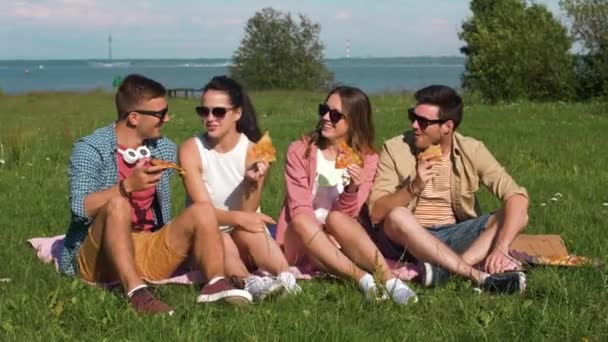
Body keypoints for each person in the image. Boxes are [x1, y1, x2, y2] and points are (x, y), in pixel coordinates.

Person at [60, 74, 252, 315]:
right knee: (118, 205)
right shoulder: (91, 149)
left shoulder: (163, 148)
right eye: (161, 114)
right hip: (99, 257)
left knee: (201, 211)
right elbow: (80, 208)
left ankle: (215, 284)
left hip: (145, 246)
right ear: (134, 117)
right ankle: (136, 293)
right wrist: (126, 186)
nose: (167, 118)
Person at [367, 85, 529, 294]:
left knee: (516, 214)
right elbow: (377, 212)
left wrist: (501, 248)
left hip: (453, 233)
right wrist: (413, 187)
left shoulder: (471, 149)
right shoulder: (395, 148)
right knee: (397, 215)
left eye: (423, 122)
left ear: (447, 126)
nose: (414, 125)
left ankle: (448, 271)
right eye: (412, 116)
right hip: (407, 239)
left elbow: (516, 196)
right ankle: (475, 275)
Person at [275, 86, 417, 305]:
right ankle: (363, 279)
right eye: (324, 109)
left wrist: (352, 189)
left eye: (335, 115)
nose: (325, 117)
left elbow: (348, 217)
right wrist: (323, 235)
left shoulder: (367, 160)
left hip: (341, 238)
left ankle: (390, 282)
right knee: (303, 220)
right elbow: (299, 207)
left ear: (354, 121)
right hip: (300, 240)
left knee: (337, 218)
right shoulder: (299, 151)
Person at [179, 75, 300, 300]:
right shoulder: (190, 149)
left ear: (237, 113)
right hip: (208, 232)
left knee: (251, 230)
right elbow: (202, 212)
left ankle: (286, 278)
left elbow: (249, 210)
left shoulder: (259, 149)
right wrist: (242, 220)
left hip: (246, 231)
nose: (210, 118)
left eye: (218, 112)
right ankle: (249, 282)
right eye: (204, 111)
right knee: (224, 235)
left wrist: (250, 182)